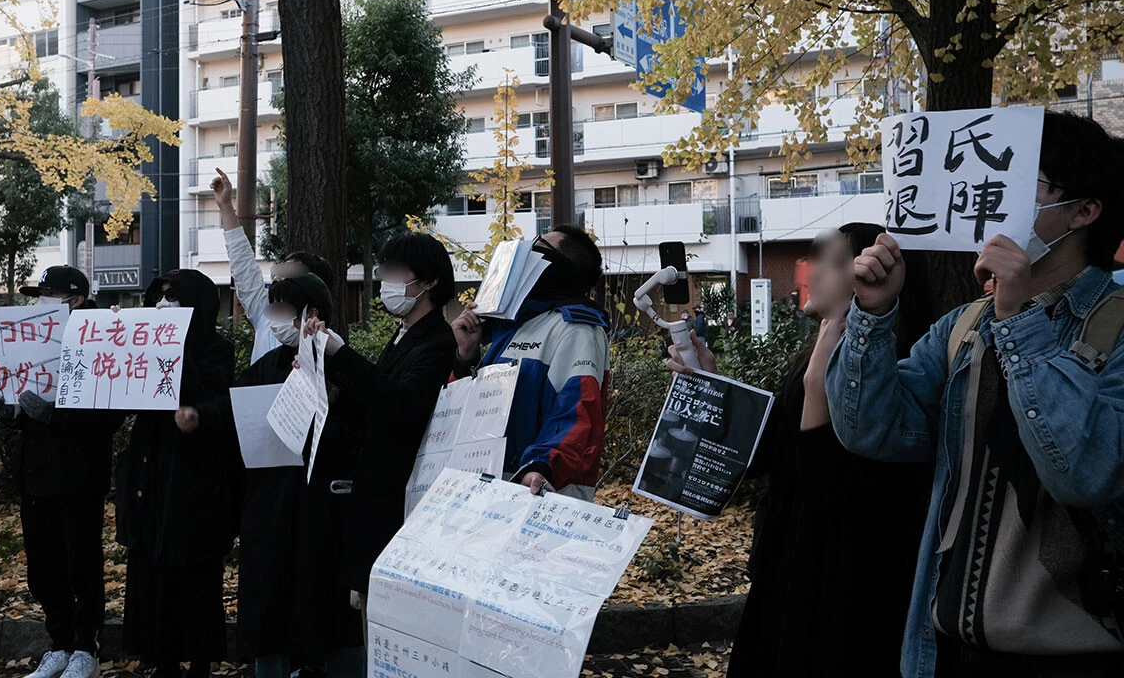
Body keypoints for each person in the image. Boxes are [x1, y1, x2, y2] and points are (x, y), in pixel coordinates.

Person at [827, 111, 1124, 677]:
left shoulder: (1117, 328)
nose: (996, 200)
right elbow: (871, 430)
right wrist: (872, 313)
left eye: (1023, 185)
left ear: (1084, 211)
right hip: (949, 646)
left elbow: (1085, 473)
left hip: (1079, 654)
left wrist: (1018, 319)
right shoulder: (963, 327)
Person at [668, 224, 933, 677]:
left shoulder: (890, 364)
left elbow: (830, 490)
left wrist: (816, 389)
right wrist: (710, 384)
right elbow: (767, 457)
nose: (811, 269)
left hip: (844, 592)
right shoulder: (815, 351)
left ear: (871, 277)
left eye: (831, 260)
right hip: (788, 571)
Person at [311, 232, 456, 634]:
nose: (383, 280)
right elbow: (371, 401)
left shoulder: (437, 341)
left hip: (399, 501)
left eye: (394, 271)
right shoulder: (404, 333)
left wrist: (341, 355)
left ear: (428, 282)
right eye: (383, 270)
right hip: (373, 497)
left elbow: (401, 406)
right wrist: (324, 378)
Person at [0, 266, 122, 678]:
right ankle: (58, 643)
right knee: (43, 566)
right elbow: (25, 410)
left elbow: (109, 416)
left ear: (74, 300)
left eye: (48, 296)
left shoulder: (101, 338)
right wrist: (10, 413)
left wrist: (54, 416)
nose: (38, 305)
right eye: (37, 297)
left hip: (80, 475)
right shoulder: (35, 340)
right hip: (37, 474)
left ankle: (86, 648)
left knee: (82, 562)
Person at [232, 273, 360, 677]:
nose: (274, 318)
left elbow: (353, 432)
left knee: (325, 612)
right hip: (270, 509)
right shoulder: (266, 364)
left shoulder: (342, 363)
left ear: (312, 314)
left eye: (283, 309)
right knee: (269, 611)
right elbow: (237, 414)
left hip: (322, 514)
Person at [115, 269, 239, 678]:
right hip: (151, 471)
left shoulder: (215, 350)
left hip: (195, 475)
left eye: (174, 298)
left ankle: (200, 660)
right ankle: (162, 657)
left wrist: (196, 412)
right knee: (151, 565)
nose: (163, 306)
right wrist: (121, 338)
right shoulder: (145, 345)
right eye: (159, 299)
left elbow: (217, 400)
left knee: (193, 569)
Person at [452, 226, 611, 500]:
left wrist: (542, 466)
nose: (527, 256)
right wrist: (465, 357)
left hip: (540, 491)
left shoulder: (577, 328)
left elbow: (577, 411)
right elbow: (477, 410)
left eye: (538, 249)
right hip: (491, 486)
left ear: (559, 268)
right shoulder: (517, 325)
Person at [211, 169, 334, 364]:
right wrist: (226, 206)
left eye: (288, 275)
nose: (277, 280)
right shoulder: (265, 315)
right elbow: (243, 267)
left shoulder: (333, 346)